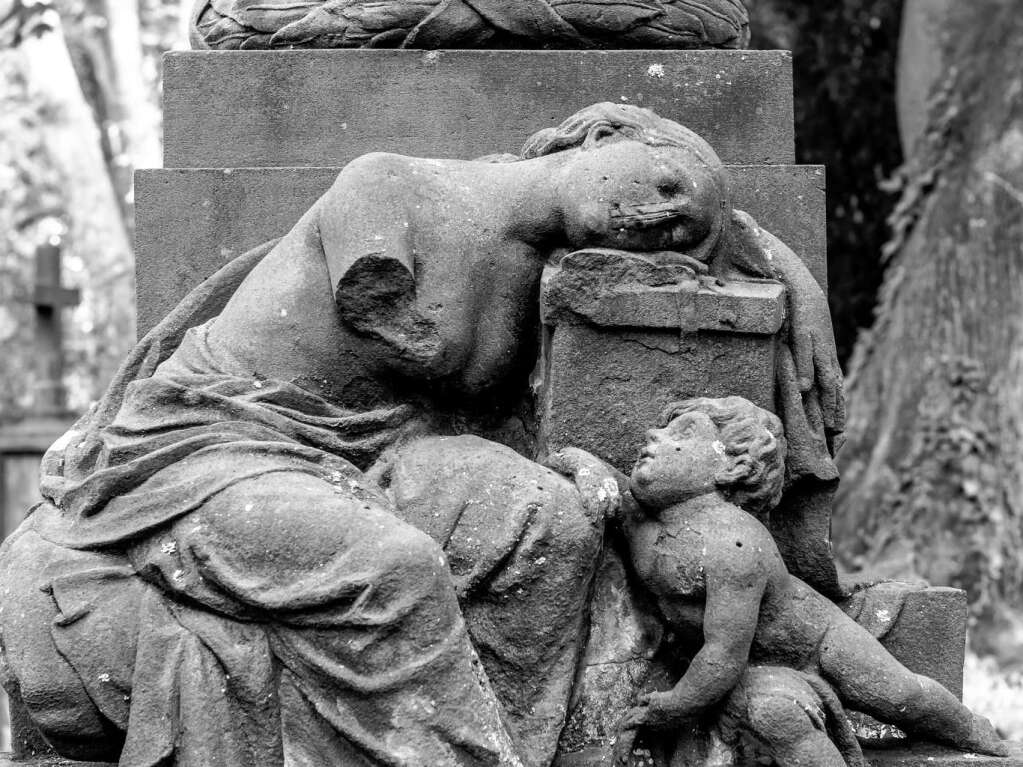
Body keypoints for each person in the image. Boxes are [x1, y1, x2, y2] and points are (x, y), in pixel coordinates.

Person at [0, 104, 840, 767]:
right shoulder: (390, 181)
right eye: (661, 184)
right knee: (394, 570)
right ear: (610, 131)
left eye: (674, 230)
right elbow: (378, 305)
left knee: (549, 519)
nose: (652, 221)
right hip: (213, 448)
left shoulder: (536, 274)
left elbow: (703, 243)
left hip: (376, 452)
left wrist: (786, 273)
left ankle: (543, 743)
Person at [617, 397, 1007, 764]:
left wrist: (673, 705)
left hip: (820, 641)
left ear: (732, 468)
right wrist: (574, 464)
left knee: (902, 695)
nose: (655, 437)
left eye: (683, 433)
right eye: (661, 432)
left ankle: (971, 730)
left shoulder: (734, 543)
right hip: (760, 666)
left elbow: (723, 654)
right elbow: (601, 485)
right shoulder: (643, 521)